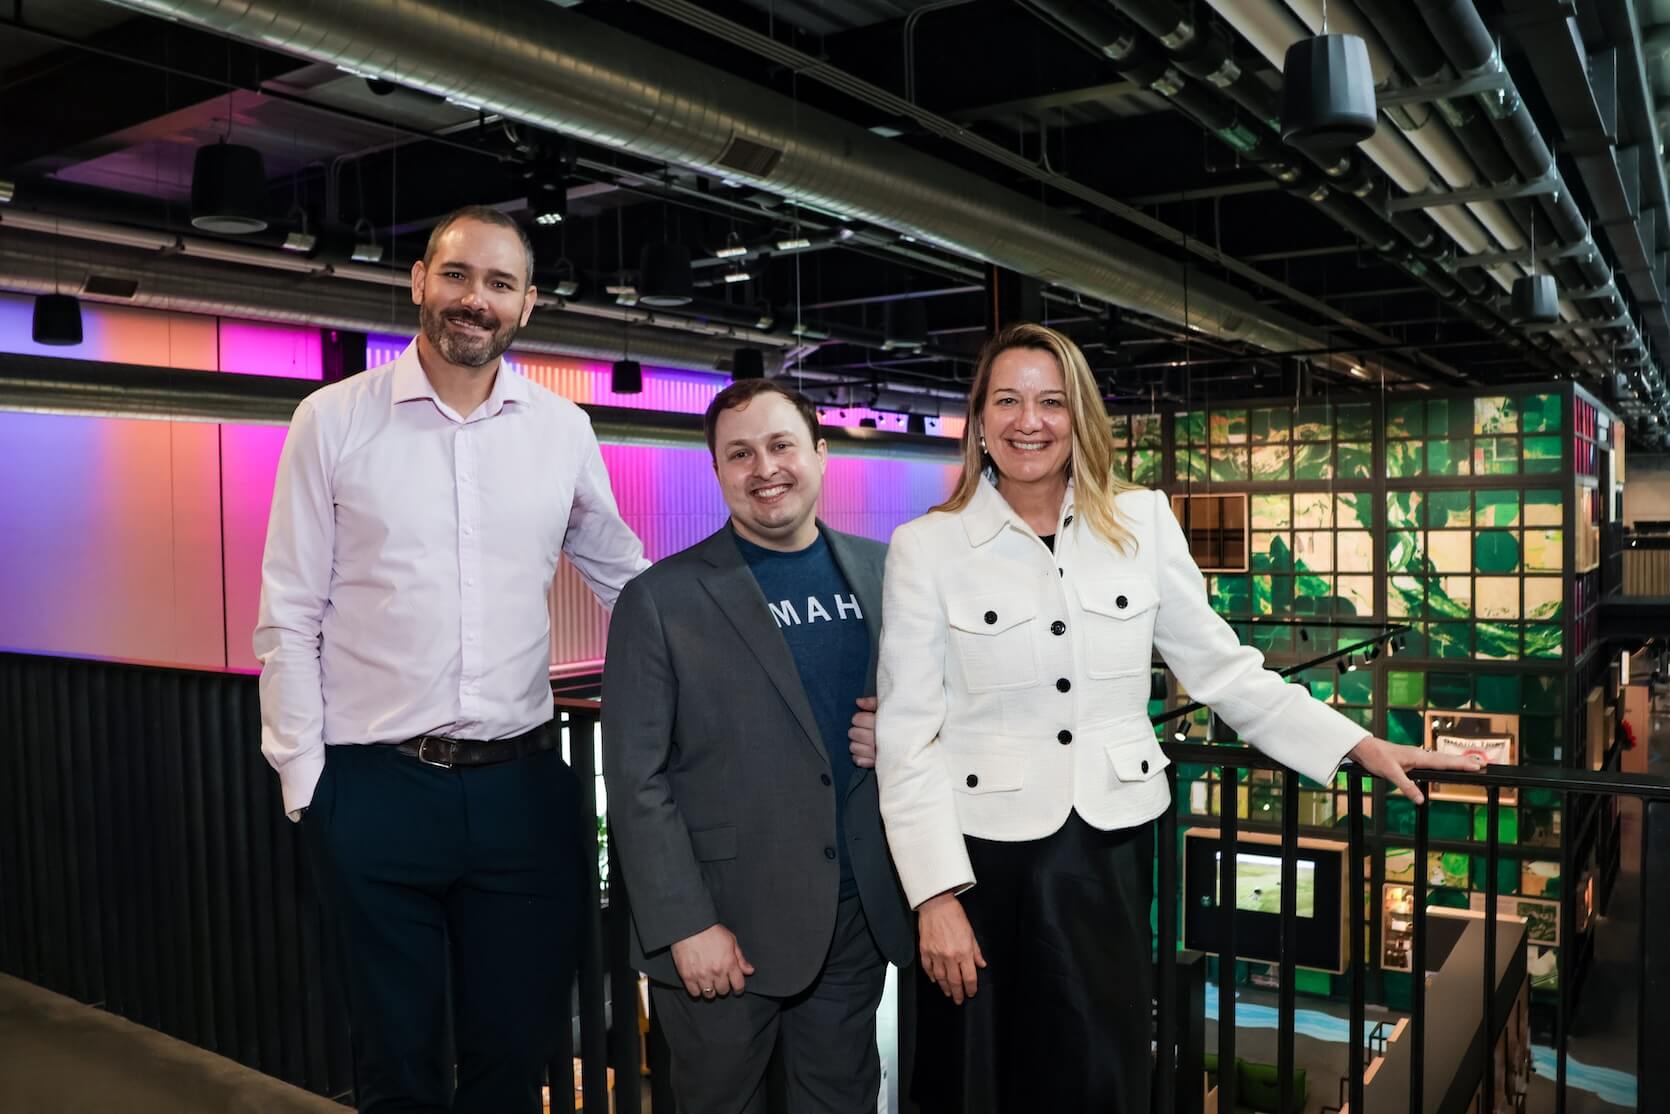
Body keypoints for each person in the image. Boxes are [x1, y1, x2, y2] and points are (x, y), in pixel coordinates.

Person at [874, 323, 1485, 1114]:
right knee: (983, 1079)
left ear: (1080, 416)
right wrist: (935, 897)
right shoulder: (928, 547)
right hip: (985, 865)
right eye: (1009, 400)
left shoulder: (1143, 521)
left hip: (1112, 848)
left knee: (1104, 1070)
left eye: (1052, 401)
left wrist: (1357, 743)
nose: (1031, 421)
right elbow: (907, 734)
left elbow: (1224, 669)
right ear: (981, 421)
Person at [254, 205, 648, 1113]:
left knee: (515, 1055)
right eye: (459, 275)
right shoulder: (333, 419)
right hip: (373, 787)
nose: (477, 299)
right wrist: (309, 786)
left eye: (500, 284)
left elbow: (626, 578)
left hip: (519, 789)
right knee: (396, 1063)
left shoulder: (561, 430)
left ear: (529, 305)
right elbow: (288, 613)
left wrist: (736, 643)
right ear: (420, 282)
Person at [602, 379, 915, 1114]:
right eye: (739, 454)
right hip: (724, 929)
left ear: (821, 454)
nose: (763, 468)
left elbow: (941, 702)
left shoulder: (886, 571)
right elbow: (635, 777)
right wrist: (685, 923)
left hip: (853, 920)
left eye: (781, 446)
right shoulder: (660, 598)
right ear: (716, 472)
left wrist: (900, 733)